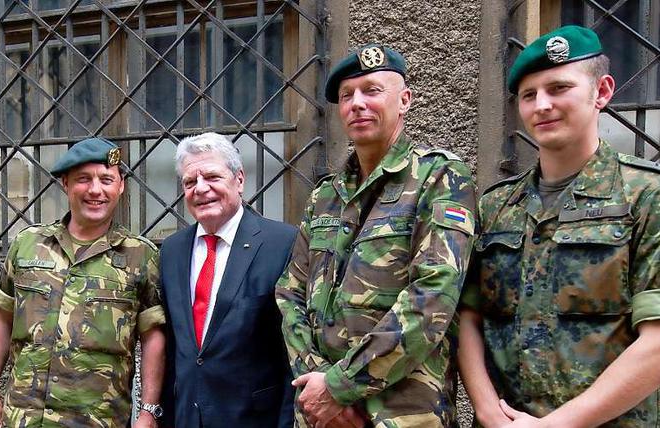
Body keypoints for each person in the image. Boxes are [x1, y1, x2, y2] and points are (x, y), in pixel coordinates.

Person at [458, 25, 660, 427]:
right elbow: (468, 317)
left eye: (558, 88)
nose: (542, 105)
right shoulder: (497, 205)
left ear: (601, 92)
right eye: (529, 95)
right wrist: (486, 411)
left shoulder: (645, 195)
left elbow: (656, 343)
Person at [275, 44, 477, 427]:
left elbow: (433, 296)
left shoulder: (439, 178)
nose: (357, 104)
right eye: (347, 96)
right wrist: (317, 388)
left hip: (399, 414)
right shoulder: (325, 195)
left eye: (372, 91)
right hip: (321, 414)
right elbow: (289, 293)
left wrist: (340, 386)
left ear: (404, 100)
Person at [0, 137, 166, 428]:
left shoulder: (139, 255)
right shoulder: (28, 244)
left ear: (121, 185)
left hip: (100, 420)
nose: (95, 190)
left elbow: (153, 337)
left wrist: (148, 411)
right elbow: (2, 318)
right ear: (65, 183)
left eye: (106, 179)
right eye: (83, 179)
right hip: (25, 418)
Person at [158, 132, 297, 427]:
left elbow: (293, 353)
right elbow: (175, 350)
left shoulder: (282, 243)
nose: (201, 188)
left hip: (255, 419)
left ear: (239, 180)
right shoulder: (171, 251)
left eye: (212, 177)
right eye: (189, 182)